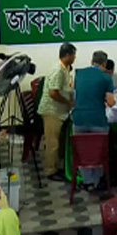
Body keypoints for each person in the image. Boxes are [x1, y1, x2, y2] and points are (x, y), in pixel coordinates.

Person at [71, 50, 117, 191]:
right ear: (104, 63)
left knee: (84, 152)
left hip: (78, 118)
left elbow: (76, 94)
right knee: (99, 152)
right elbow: (110, 102)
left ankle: (87, 181)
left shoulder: (79, 74)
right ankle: (97, 182)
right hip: (97, 120)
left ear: (91, 61)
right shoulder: (106, 78)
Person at [37, 42, 77, 182]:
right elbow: (53, 93)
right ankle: (50, 170)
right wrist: (68, 102)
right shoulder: (57, 70)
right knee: (52, 143)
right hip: (51, 111)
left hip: (59, 112)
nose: (75, 57)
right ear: (67, 55)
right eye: (73, 55)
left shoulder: (65, 68)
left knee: (58, 141)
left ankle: (57, 166)